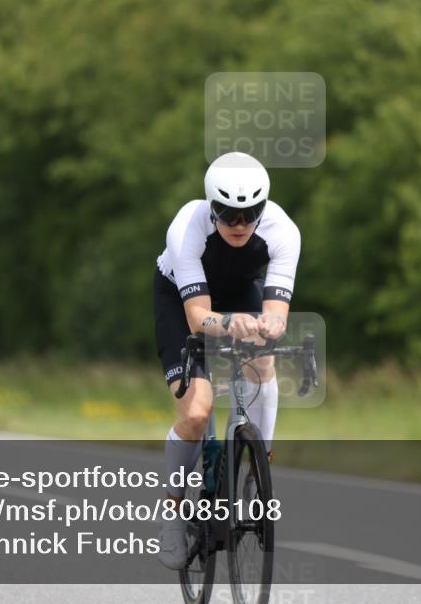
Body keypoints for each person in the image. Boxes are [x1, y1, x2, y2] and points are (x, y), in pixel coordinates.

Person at [153, 151, 301, 569]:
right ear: (211, 207)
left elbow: (276, 313)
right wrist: (231, 323)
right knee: (197, 414)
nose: (239, 225)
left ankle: (257, 472)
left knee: (264, 362)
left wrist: (268, 327)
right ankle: (173, 509)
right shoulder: (187, 228)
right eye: (228, 215)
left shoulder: (283, 231)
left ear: (263, 209)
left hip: (239, 292)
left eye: (249, 214)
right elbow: (199, 318)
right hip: (181, 299)